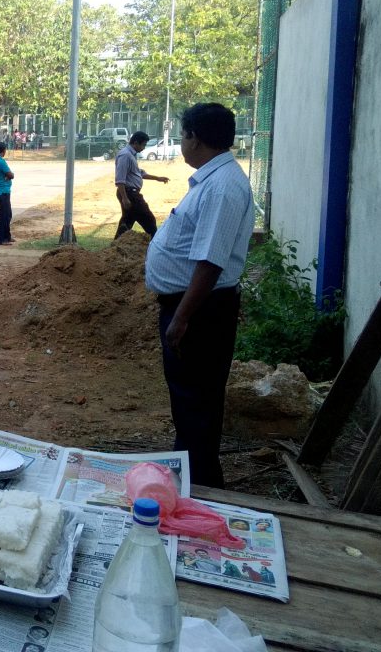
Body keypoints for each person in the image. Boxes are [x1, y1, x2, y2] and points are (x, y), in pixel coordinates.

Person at [145, 103, 255, 488]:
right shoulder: (215, 180)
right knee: (192, 404)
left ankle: (201, 488)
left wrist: (182, 318)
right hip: (198, 307)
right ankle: (196, 481)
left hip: (200, 312)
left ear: (194, 138)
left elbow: (210, 261)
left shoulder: (222, 187)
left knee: (196, 404)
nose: (181, 142)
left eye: (182, 134)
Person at [114, 131, 169, 239]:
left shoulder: (131, 155)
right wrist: (125, 198)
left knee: (127, 221)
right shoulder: (125, 155)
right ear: (135, 143)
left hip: (130, 193)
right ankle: (156, 242)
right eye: (143, 145)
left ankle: (115, 246)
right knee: (148, 219)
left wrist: (157, 178)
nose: (144, 148)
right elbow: (120, 179)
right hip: (130, 193)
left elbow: (138, 173)